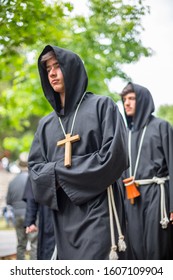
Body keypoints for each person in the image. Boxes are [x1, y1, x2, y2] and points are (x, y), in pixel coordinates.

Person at [28, 45, 129, 260]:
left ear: (71, 69)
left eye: (57, 66)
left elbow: (115, 157)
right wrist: (65, 171)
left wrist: (57, 173)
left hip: (99, 210)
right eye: (47, 69)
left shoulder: (103, 106)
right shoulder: (46, 125)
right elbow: (35, 171)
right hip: (64, 217)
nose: (52, 73)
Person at [119, 82, 173, 260]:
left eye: (132, 98)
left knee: (157, 247)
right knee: (135, 248)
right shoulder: (125, 134)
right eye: (124, 99)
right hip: (132, 197)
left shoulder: (161, 127)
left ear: (142, 100)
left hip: (157, 195)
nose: (127, 103)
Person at [6, 152, 38, 260]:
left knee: (21, 244)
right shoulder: (32, 179)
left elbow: (8, 201)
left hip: (17, 215)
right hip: (30, 214)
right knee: (34, 244)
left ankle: (19, 270)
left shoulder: (12, 181)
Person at [23, 176, 55, 260]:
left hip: (49, 216)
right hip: (49, 214)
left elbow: (31, 196)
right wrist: (30, 221)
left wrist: (30, 221)